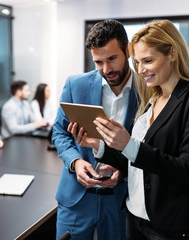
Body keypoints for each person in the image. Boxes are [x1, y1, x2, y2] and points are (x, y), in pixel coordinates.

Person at [91, 20, 189, 239]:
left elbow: (188, 171)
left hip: (169, 224)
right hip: (135, 214)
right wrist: (99, 146)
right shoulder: (152, 98)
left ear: (172, 53)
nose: (140, 70)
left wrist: (128, 144)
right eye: (137, 62)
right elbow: (137, 161)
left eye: (148, 60)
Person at [52, 19, 139, 240]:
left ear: (127, 50)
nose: (106, 69)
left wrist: (125, 172)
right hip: (76, 196)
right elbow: (60, 133)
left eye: (112, 59)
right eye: (98, 62)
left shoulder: (148, 91)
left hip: (121, 198)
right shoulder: (75, 85)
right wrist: (75, 161)